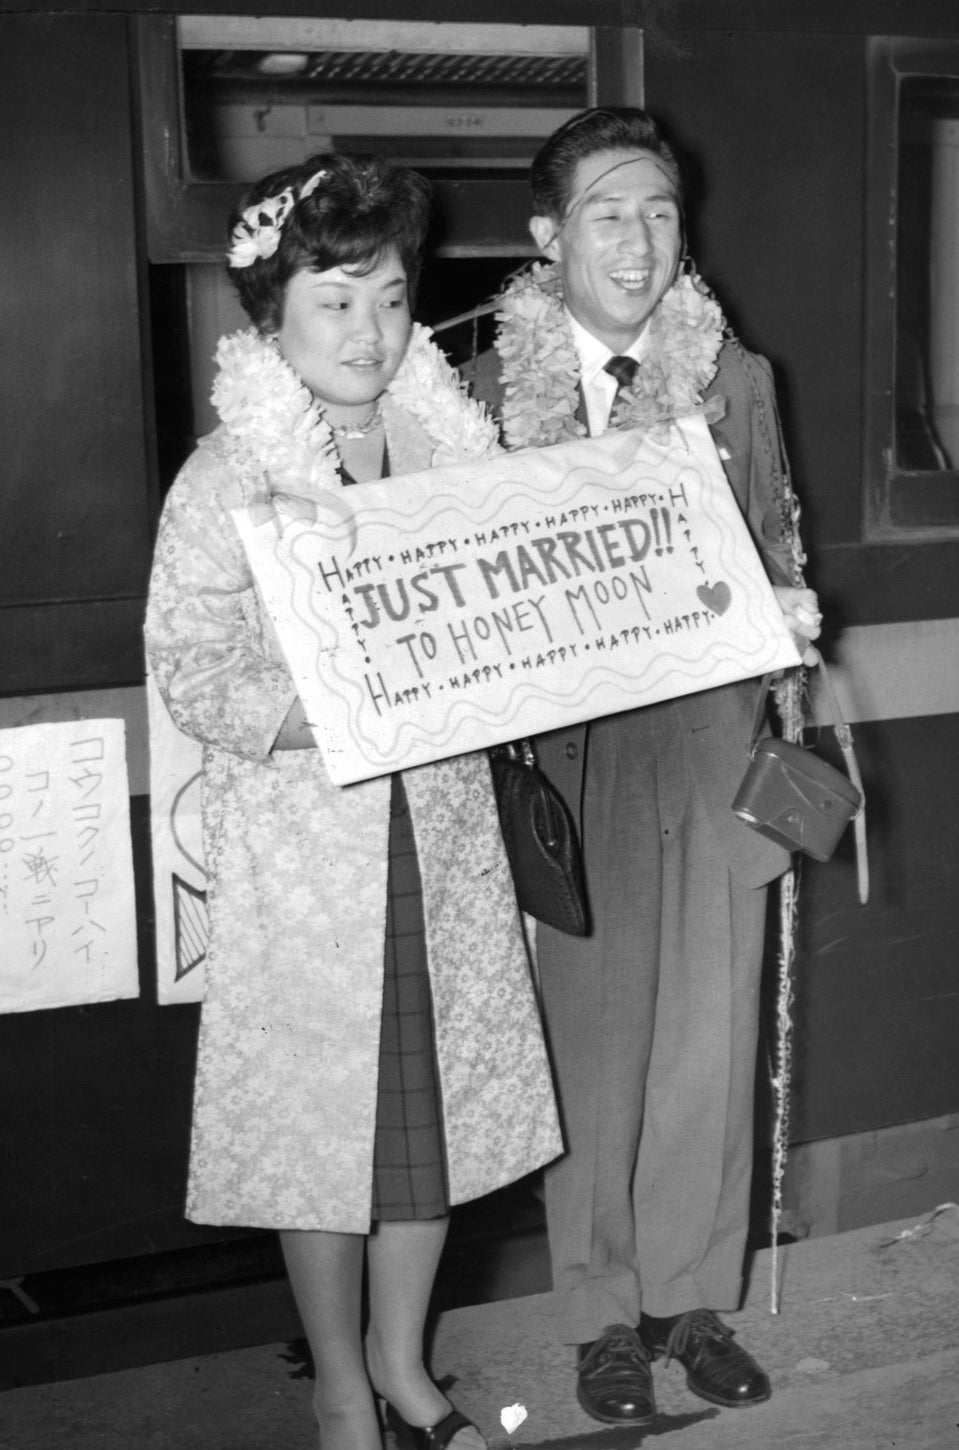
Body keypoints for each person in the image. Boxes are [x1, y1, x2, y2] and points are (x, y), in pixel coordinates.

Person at [145, 153, 562, 1450]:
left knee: (428, 1126)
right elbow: (186, 659)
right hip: (306, 853)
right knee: (319, 1134)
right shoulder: (227, 476)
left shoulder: (457, 452)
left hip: (438, 843)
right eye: (335, 302)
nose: (370, 331)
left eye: (389, 297)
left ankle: (403, 1357)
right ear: (273, 315)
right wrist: (319, 705)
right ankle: (338, 1383)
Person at [469, 108, 822, 1426]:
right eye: (611, 213)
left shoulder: (739, 376)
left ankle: (691, 1299)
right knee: (596, 1050)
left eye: (664, 212)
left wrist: (794, 616)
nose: (642, 240)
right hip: (573, 754)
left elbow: (781, 543)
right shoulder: (490, 400)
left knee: (707, 1044)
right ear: (550, 238)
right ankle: (602, 1317)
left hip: (714, 735)